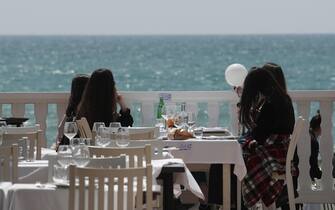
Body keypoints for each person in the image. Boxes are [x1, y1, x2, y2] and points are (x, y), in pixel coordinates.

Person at [239, 67, 295, 209]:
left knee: (234, 161)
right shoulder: (283, 99)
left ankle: (235, 204)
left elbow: (259, 136)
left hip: (272, 156)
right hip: (282, 152)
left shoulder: (270, 105)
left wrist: (244, 140)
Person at [56, 74, 89, 147]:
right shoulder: (84, 109)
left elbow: (60, 128)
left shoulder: (72, 109)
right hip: (76, 149)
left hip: (66, 148)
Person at [309, 110, 322, 181]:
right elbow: (313, 167)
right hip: (307, 176)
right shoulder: (313, 142)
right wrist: (323, 175)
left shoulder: (307, 135)